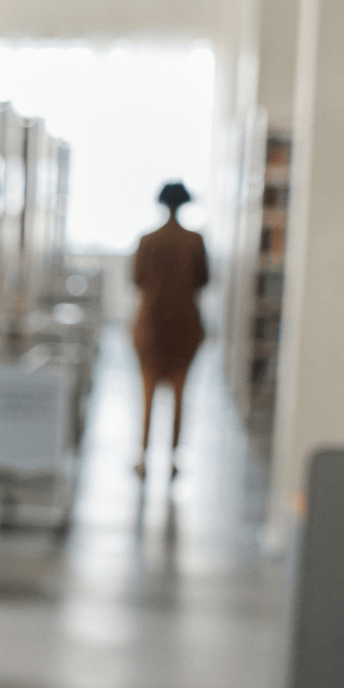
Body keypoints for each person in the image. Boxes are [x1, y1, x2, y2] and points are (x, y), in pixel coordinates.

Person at [131, 180, 208, 477]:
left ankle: (143, 456)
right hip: (185, 324)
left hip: (150, 325)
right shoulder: (194, 241)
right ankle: (174, 457)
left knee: (147, 393)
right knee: (180, 394)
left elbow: (137, 279)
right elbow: (203, 280)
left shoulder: (148, 240)